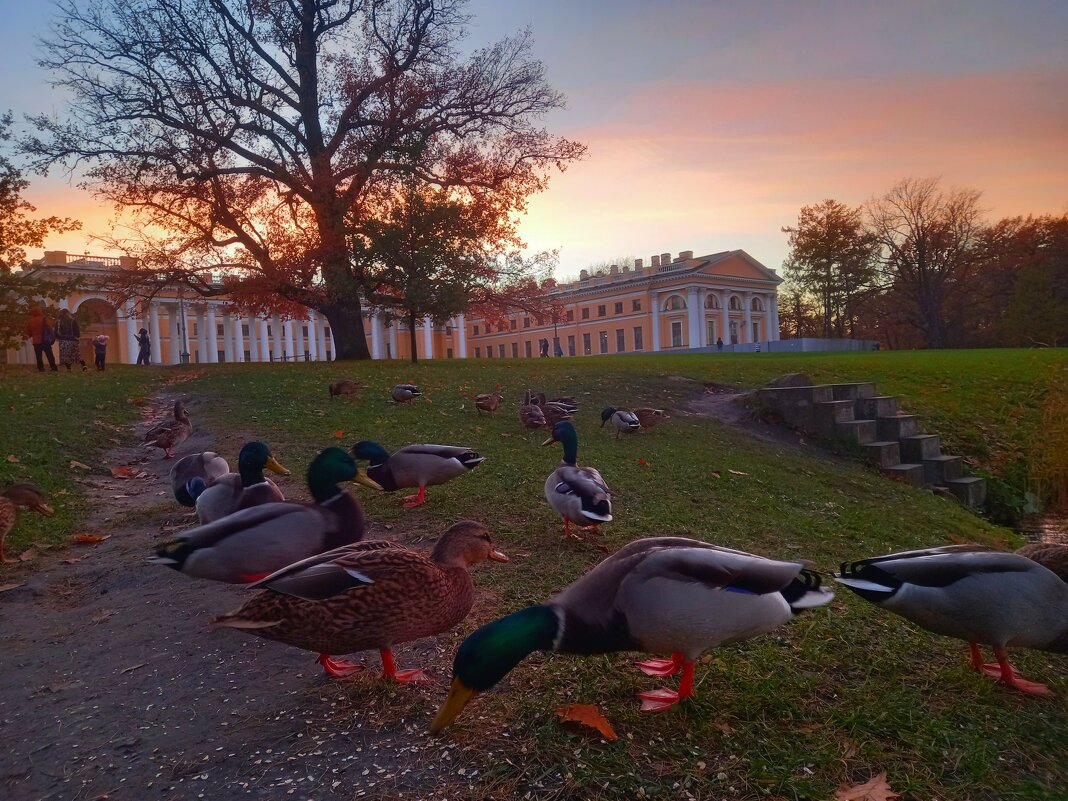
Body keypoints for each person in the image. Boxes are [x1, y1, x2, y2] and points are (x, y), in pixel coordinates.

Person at [25, 307, 58, 372]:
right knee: (49, 354)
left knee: (38, 356)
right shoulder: (44, 319)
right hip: (45, 340)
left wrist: (33, 334)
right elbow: (50, 328)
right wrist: (52, 337)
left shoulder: (30, 321)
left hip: (36, 341)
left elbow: (28, 332)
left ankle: (41, 368)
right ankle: (53, 367)